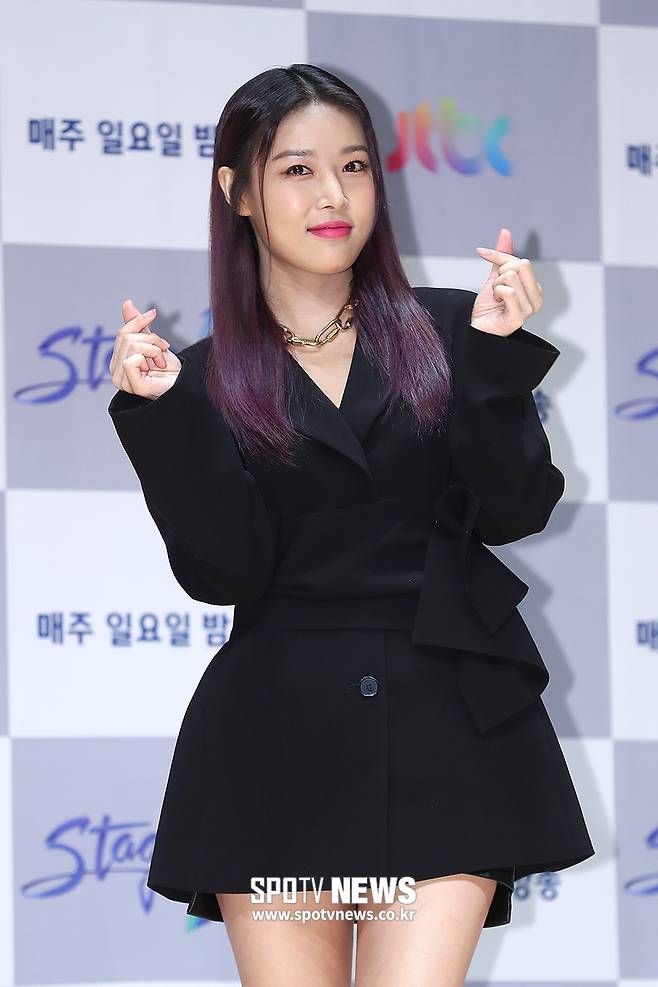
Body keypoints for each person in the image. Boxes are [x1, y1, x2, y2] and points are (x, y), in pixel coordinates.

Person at [107, 64, 594, 987]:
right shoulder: (200, 378)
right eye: (297, 170)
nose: (333, 194)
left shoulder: (455, 331)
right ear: (236, 190)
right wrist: (167, 418)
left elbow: (516, 508)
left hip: (451, 726)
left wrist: (496, 364)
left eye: (355, 166)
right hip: (274, 745)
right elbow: (226, 572)